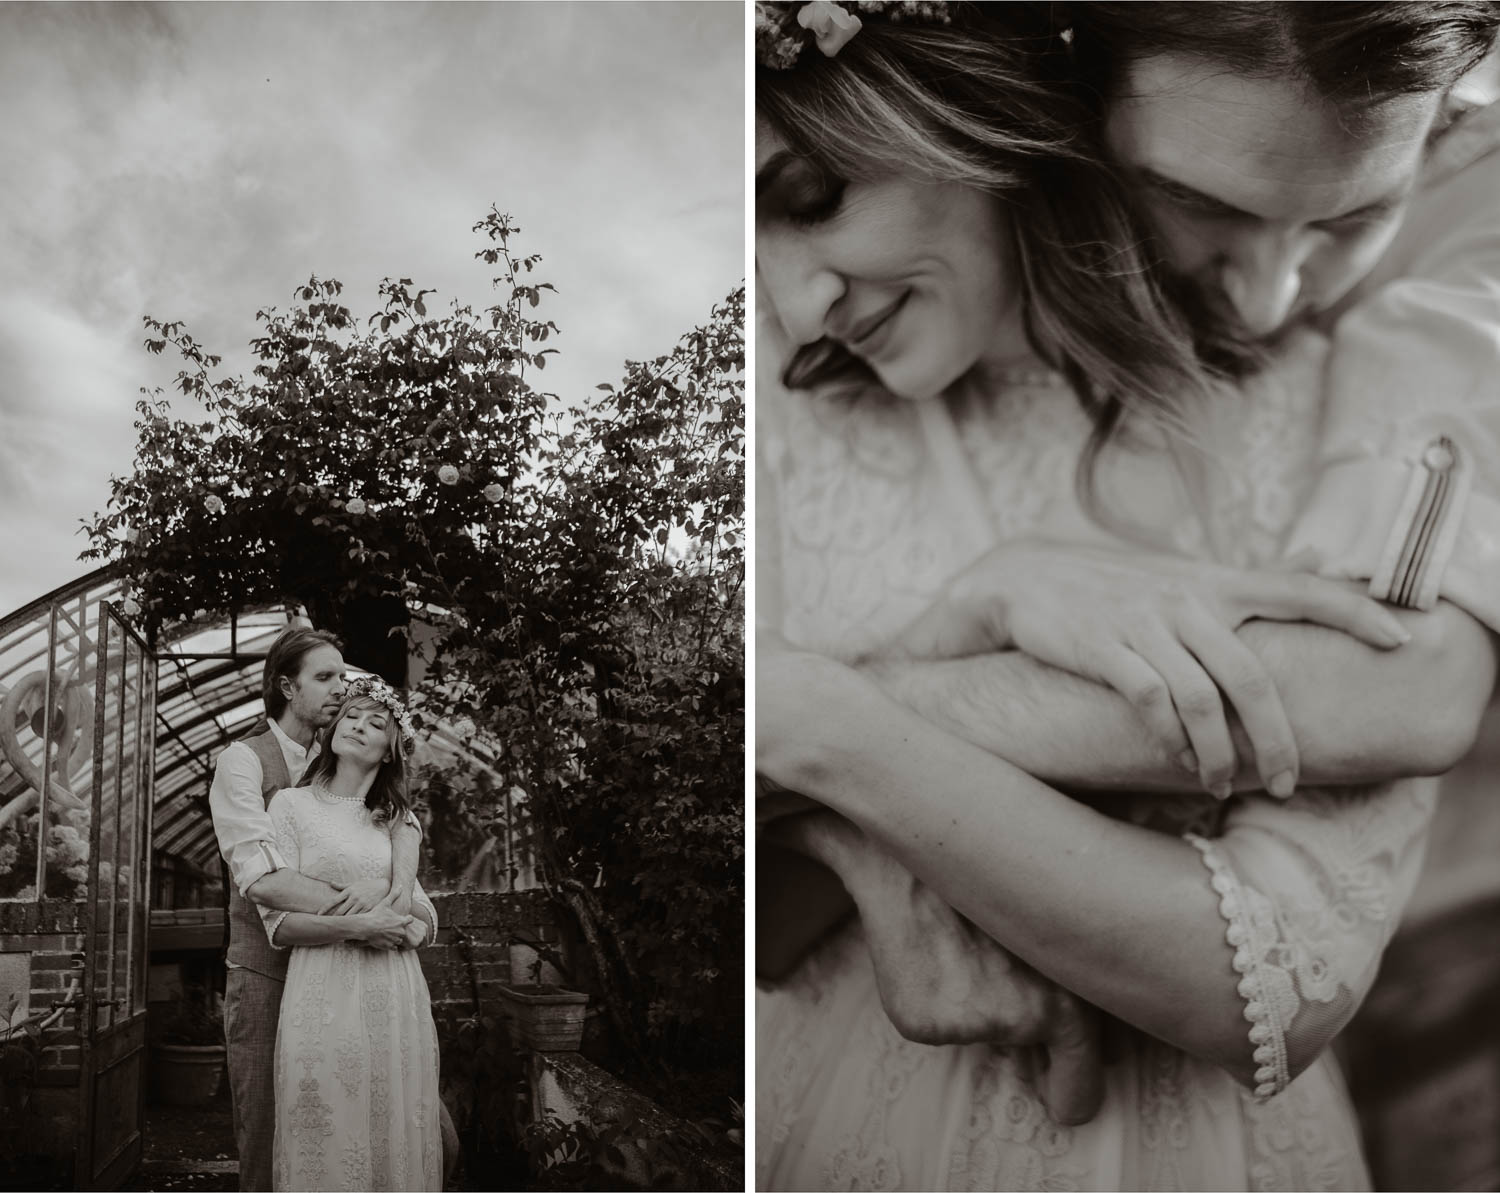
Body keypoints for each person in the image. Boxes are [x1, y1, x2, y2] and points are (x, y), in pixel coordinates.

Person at [754, 4, 1500, 1189]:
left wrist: (818, 724)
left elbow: (1288, 961)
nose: (1266, 297)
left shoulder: (1345, 390)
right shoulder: (784, 398)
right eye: (1200, 204)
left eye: (1356, 219)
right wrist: (863, 826)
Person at [210, 627, 420, 1192]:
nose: (339, 689)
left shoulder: (344, 759)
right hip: (265, 974)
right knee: (266, 1131)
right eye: (324, 678)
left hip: (346, 981)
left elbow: (401, 818)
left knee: (351, 1124)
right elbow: (264, 881)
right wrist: (365, 914)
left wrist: (398, 875)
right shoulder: (243, 763)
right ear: (286, 686)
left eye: (341, 677)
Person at [258, 676, 441, 1192]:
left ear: (390, 752)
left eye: (376, 722)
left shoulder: (395, 821)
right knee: (323, 1117)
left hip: (394, 990)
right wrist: (356, 924)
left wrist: (394, 914)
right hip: (322, 990)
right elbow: (280, 924)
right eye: (351, 717)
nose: (358, 726)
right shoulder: (290, 807)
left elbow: (425, 921)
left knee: (394, 1123)